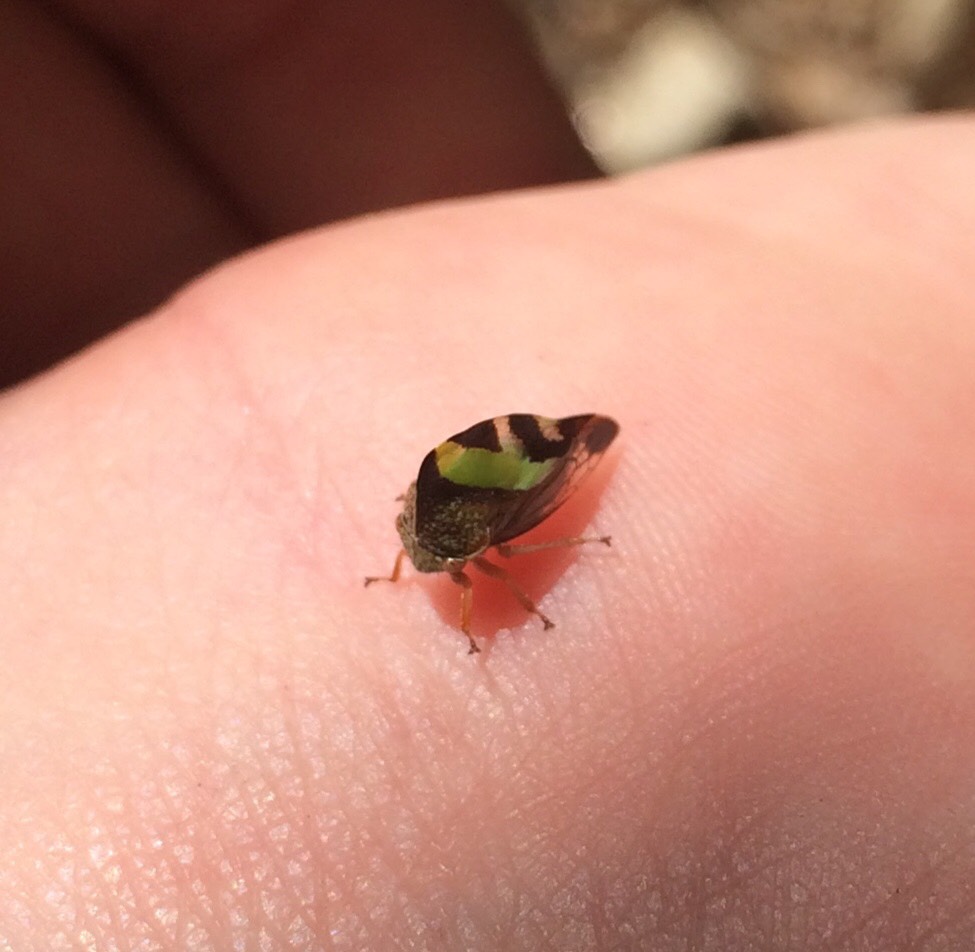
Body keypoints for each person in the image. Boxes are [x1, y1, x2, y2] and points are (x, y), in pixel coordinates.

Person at [1, 1, 973, 948]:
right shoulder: (435, 541)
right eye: (418, 560)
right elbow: (441, 518)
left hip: (515, 461)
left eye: (422, 560)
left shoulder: (461, 557)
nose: (426, 568)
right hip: (486, 460)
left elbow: (511, 539)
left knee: (529, 528)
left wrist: (565, 534)